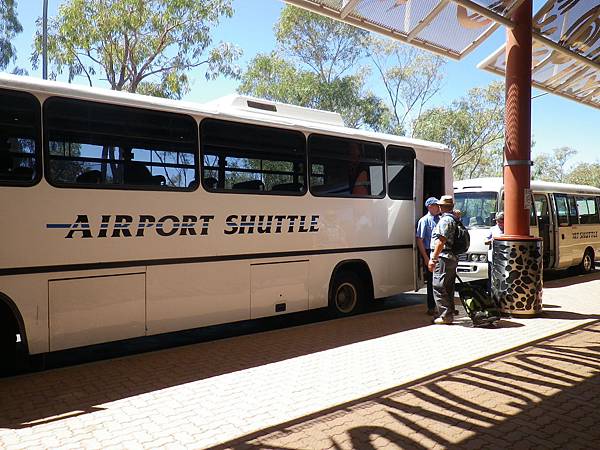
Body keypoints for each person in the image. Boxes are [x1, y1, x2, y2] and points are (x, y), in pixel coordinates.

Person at [428, 195, 460, 324]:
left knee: (438, 285)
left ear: (441, 207)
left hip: (443, 257)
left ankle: (445, 315)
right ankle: (449, 313)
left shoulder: (445, 220)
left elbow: (441, 241)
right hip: (452, 257)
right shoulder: (454, 219)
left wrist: (433, 259)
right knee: (448, 286)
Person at [416, 197, 440, 315]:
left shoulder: (441, 219)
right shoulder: (424, 221)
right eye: (436, 205)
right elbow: (419, 240)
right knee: (431, 281)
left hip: (440, 251)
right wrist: (426, 258)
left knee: (441, 281)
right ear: (429, 207)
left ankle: (442, 306)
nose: (438, 208)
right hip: (429, 251)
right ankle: (431, 307)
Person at [485, 211, 505, 293]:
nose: (499, 223)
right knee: (492, 276)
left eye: (501, 221)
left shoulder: (509, 228)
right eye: (498, 221)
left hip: (504, 258)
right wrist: (491, 240)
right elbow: (485, 241)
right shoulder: (492, 229)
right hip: (493, 257)